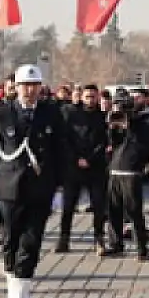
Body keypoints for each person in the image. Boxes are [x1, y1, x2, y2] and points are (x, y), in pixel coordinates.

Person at [0, 65, 68, 298]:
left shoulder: (51, 113)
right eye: (25, 86)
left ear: (41, 87)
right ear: (15, 87)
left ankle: (22, 295)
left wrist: (60, 186)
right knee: (10, 239)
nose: (29, 90)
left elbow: (61, 151)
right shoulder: (1, 113)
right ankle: (14, 293)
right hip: (9, 187)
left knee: (32, 240)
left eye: (34, 85)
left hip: (40, 186)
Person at [104, 94, 149, 260]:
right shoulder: (120, 120)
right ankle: (115, 244)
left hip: (132, 171)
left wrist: (130, 121)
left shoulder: (148, 120)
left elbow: (144, 141)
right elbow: (114, 143)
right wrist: (113, 127)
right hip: (115, 169)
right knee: (113, 210)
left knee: (134, 211)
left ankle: (142, 248)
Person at [57, 85, 108, 254]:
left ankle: (99, 239)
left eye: (93, 97)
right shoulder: (72, 115)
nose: (90, 100)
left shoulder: (102, 117)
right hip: (74, 167)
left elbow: (103, 142)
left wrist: (90, 159)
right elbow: (65, 139)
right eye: (87, 96)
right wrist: (76, 158)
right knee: (68, 206)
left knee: (99, 205)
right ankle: (63, 239)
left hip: (96, 167)